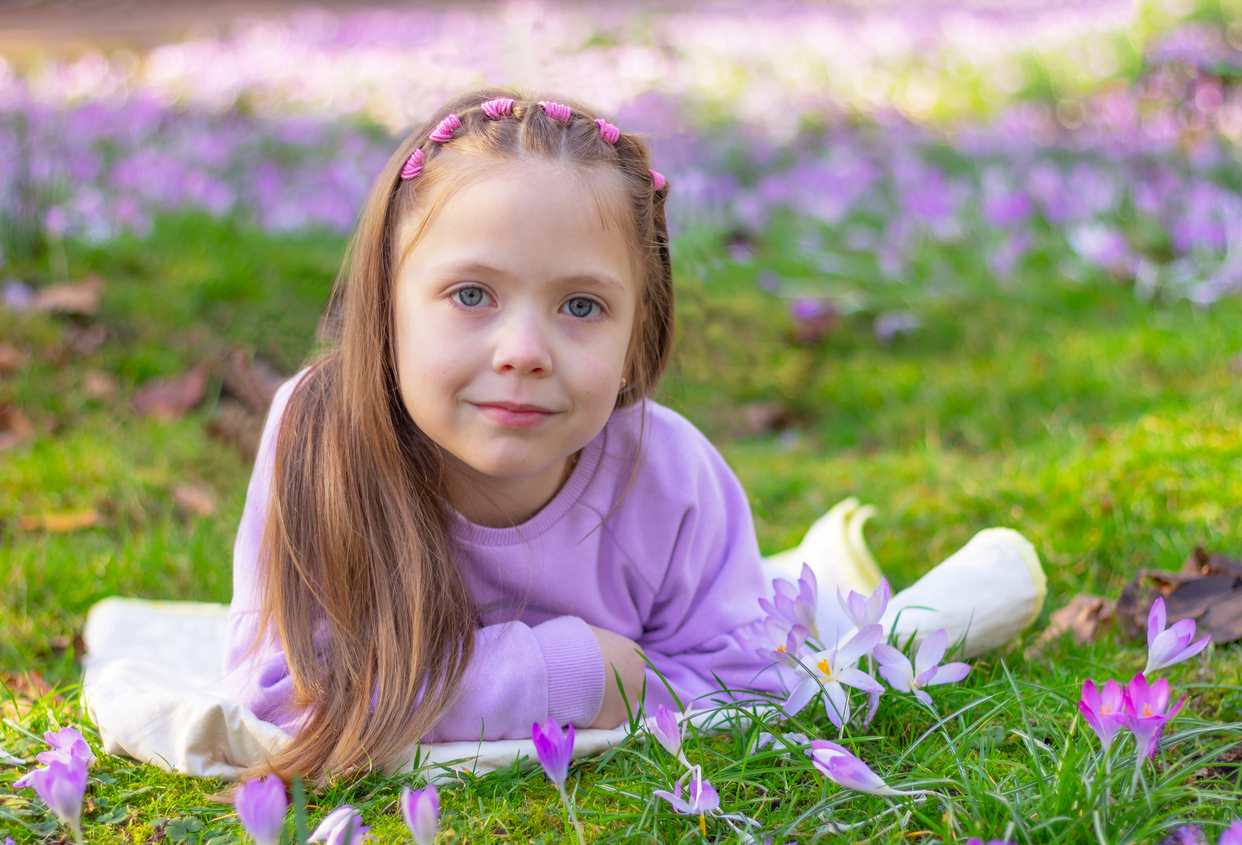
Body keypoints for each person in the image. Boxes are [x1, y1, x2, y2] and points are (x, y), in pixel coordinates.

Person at [222, 88, 785, 786]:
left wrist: (430, 692)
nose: (523, 351)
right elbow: (289, 694)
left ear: (636, 337)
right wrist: (577, 671)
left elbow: (746, 685)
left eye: (582, 305)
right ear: (386, 308)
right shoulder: (323, 438)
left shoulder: (669, 477)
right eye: (470, 294)